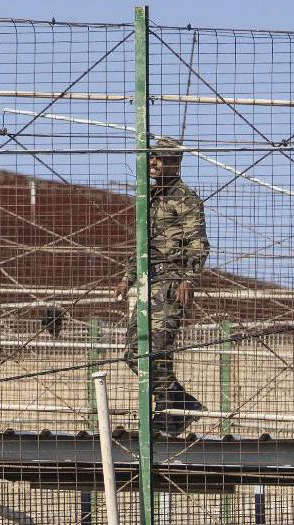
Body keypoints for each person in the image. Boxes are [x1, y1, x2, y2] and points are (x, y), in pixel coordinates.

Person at [114, 137, 210, 435]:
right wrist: (127, 276)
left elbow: (198, 244)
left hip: (170, 283)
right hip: (147, 282)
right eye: (151, 158)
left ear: (175, 162)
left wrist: (189, 279)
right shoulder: (149, 197)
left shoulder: (186, 199)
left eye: (160, 159)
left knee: (156, 350)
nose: (153, 163)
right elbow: (144, 244)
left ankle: (170, 412)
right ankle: (180, 404)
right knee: (133, 353)